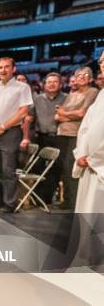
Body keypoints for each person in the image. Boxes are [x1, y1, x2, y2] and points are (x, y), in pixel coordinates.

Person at [0, 57, 32, 212]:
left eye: (6, 67)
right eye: (0, 67)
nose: (3, 70)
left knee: (8, 171)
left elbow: (23, 112)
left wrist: (3, 126)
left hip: (10, 133)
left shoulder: (22, 87)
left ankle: (9, 204)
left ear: (13, 69)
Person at [55, 66, 99, 210]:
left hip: (76, 134)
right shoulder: (71, 93)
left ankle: (73, 203)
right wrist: (66, 114)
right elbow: (57, 115)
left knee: (71, 169)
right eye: (78, 74)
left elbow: (82, 114)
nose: (80, 77)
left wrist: (64, 114)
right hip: (63, 133)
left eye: (84, 74)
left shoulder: (93, 92)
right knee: (64, 170)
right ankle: (67, 201)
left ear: (91, 78)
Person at [24, 72, 67, 203]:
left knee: (56, 169)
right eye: (49, 82)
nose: (52, 84)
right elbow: (28, 117)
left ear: (61, 84)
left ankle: (47, 198)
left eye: (55, 82)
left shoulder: (67, 98)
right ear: (44, 85)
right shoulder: (37, 99)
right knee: (37, 167)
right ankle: (35, 197)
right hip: (41, 137)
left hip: (59, 137)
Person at [74, 51, 104, 213]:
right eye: (101, 61)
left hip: (99, 165)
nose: (102, 64)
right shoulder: (101, 94)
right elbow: (86, 128)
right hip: (90, 164)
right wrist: (81, 154)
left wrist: (96, 158)